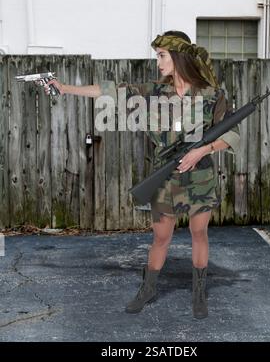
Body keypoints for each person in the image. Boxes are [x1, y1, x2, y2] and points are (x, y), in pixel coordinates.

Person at [44, 30, 239, 319]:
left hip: (200, 178)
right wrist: (66, 88)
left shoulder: (211, 95)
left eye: (162, 56)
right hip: (165, 177)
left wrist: (203, 150)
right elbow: (109, 90)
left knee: (199, 234)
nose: (158, 62)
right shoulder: (155, 92)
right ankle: (147, 289)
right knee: (161, 238)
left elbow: (231, 135)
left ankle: (199, 294)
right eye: (158, 56)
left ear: (178, 56)